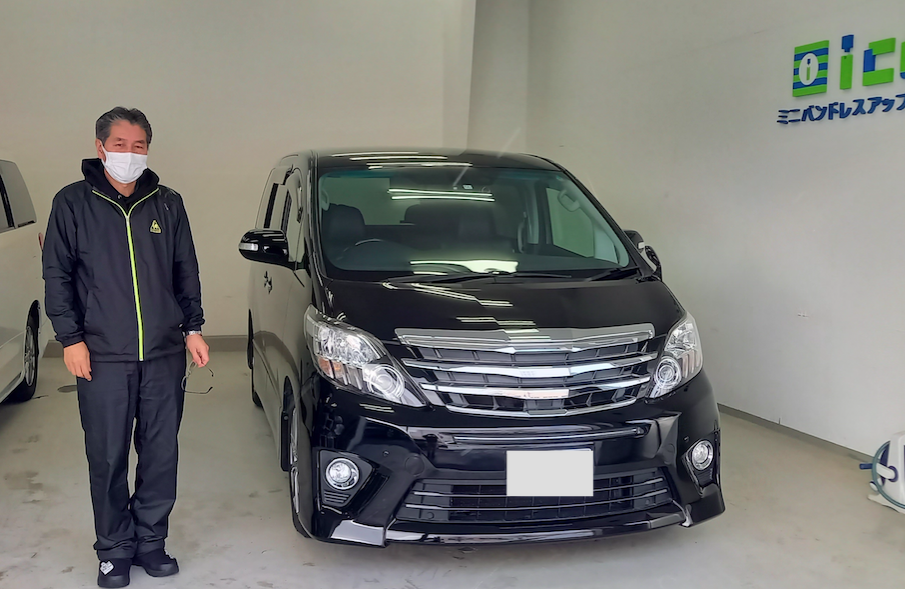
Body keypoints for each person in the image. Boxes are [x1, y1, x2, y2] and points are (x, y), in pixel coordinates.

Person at [43, 107, 209, 588]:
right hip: (102, 355)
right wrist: (70, 339)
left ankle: (151, 541)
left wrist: (193, 328)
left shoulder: (167, 203)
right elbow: (57, 275)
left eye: (139, 146)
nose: (129, 154)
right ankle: (114, 549)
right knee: (108, 455)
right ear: (100, 147)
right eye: (120, 145)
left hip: (162, 352)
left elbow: (185, 269)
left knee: (160, 453)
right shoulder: (73, 203)